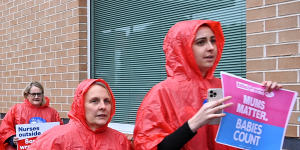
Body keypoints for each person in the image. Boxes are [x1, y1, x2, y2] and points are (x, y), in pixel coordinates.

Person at [133, 20, 282, 150]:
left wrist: (265, 98)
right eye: (201, 42)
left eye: (213, 40)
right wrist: (194, 123)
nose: (211, 47)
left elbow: (248, 136)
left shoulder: (225, 87)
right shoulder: (161, 93)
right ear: (182, 48)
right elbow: (151, 147)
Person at [28, 79, 131, 150]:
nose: (103, 106)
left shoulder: (121, 141)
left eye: (107, 101)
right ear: (80, 105)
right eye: (94, 101)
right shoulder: (54, 139)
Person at [0, 81, 63, 150]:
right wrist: (12, 139)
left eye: (39, 94)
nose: (36, 97)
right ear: (27, 95)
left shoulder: (52, 112)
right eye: (33, 94)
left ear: (42, 95)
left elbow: (60, 131)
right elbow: (5, 127)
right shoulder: (16, 109)